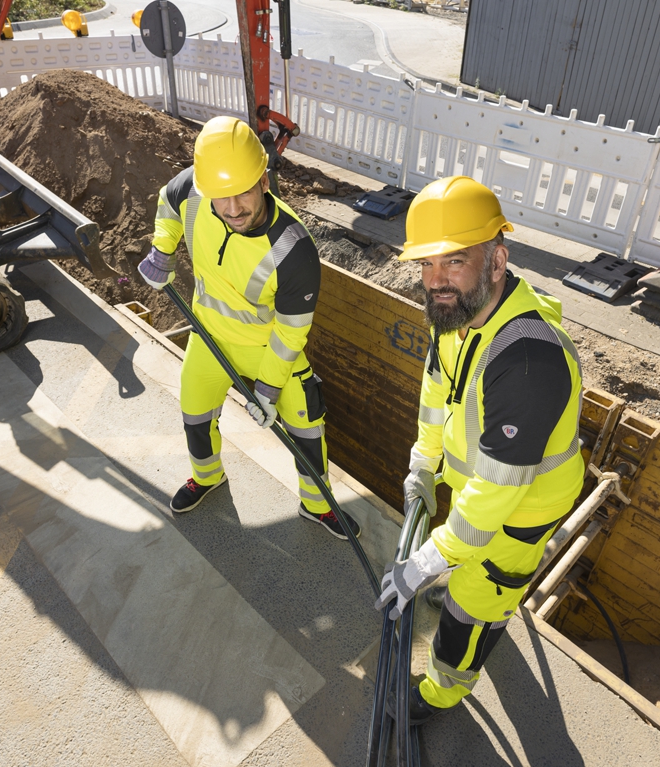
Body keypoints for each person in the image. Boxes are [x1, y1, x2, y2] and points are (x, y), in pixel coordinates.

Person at [376, 175, 585, 722]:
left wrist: (426, 561)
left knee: (471, 605)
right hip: (479, 484)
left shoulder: (527, 360)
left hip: (521, 510)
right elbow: (435, 392)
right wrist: (424, 462)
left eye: (454, 261)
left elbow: (496, 494)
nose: (436, 280)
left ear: (497, 259)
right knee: (462, 567)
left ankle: (442, 692)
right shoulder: (457, 315)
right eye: (426, 264)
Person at [137, 116, 359, 539]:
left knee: (307, 427)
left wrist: (269, 389)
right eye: (222, 197)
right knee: (195, 412)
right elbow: (167, 200)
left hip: (268, 348)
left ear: (263, 180)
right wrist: (161, 250)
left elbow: (291, 334)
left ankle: (317, 505)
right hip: (209, 338)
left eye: (243, 192)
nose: (234, 208)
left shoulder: (293, 250)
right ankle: (207, 477)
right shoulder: (195, 189)